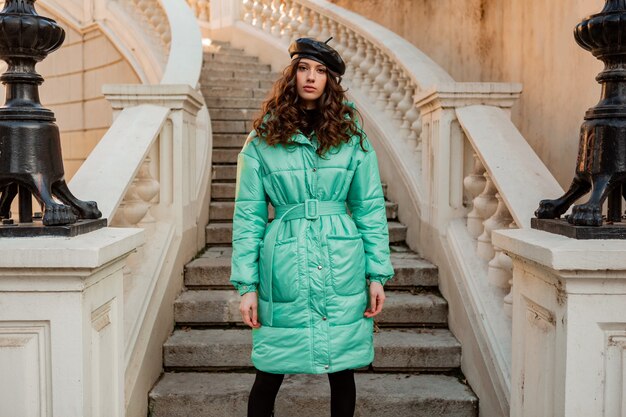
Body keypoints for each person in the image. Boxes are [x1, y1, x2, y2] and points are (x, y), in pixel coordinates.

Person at [229, 37, 394, 417]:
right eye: (304, 68)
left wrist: (377, 274)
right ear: (292, 74)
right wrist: (247, 285)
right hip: (284, 263)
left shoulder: (351, 137)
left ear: (331, 81)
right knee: (269, 368)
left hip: (342, 257)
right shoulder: (263, 139)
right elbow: (248, 216)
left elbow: (369, 208)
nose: (311, 77)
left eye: (320, 71)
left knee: (342, 370)